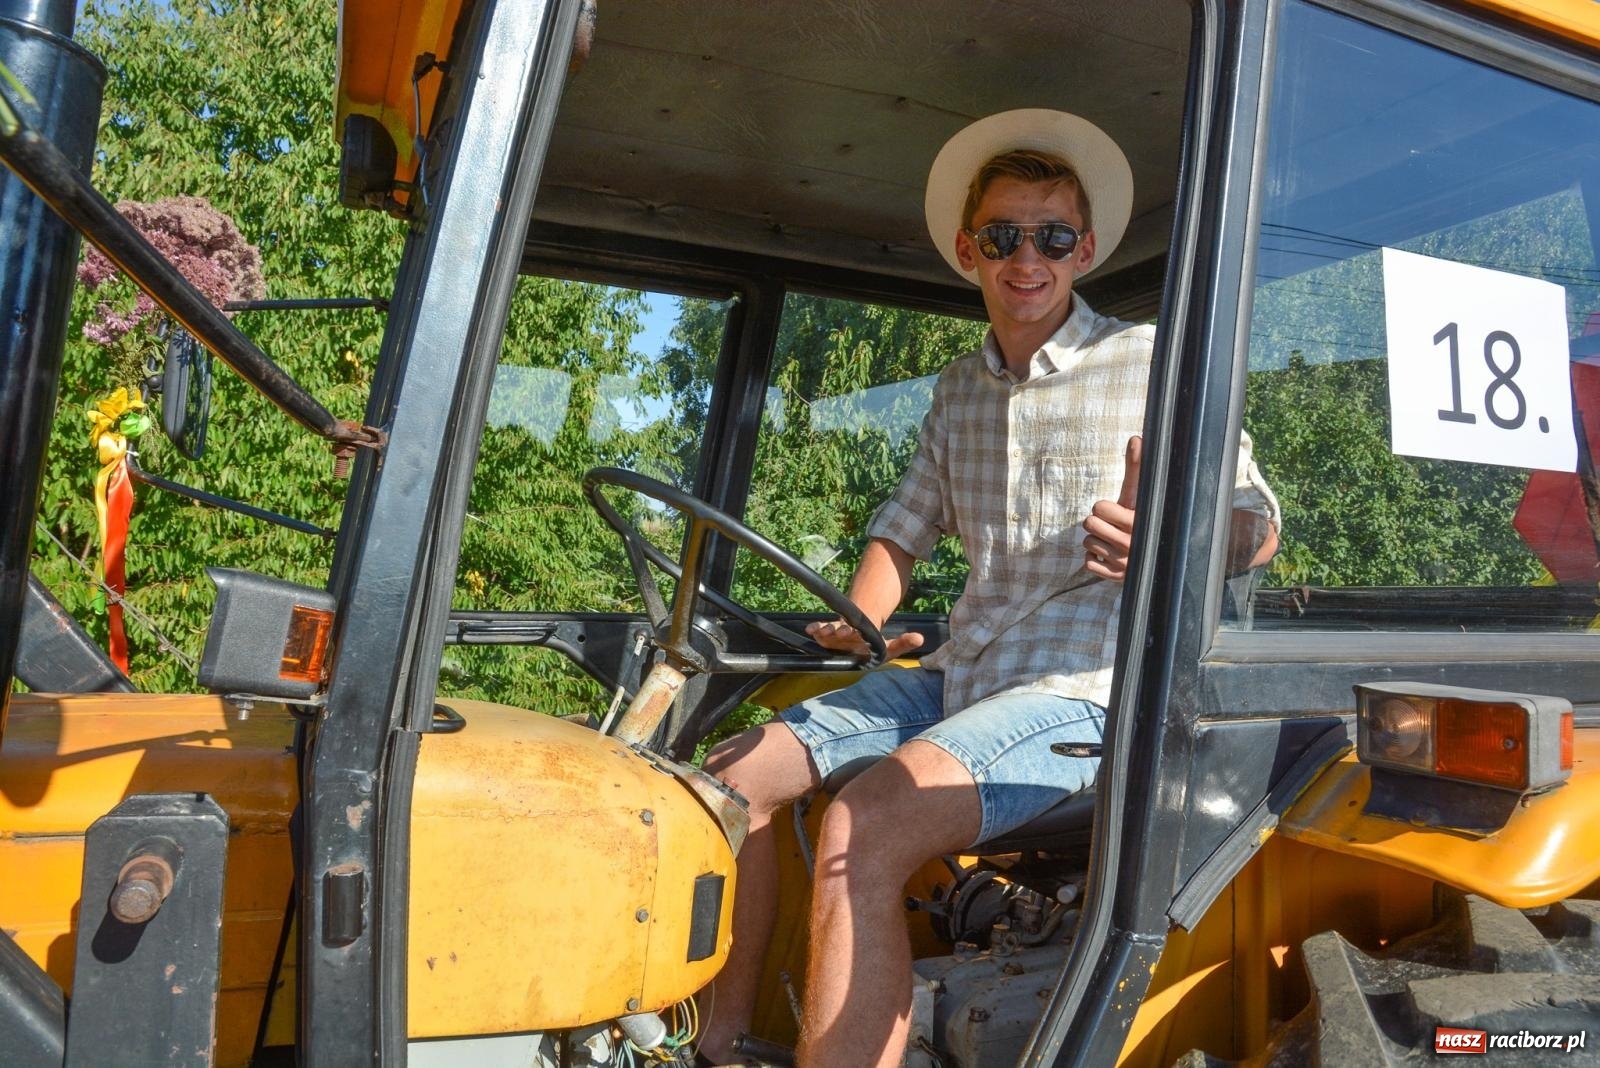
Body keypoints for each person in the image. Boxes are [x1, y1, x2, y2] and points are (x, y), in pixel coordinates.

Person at [697, 109, 1280, 1068]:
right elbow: (904, 527)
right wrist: (864, 619)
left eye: (1052, 237)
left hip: (1085, 694)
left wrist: (1183, 537)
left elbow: (1258, 528)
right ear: (972, 249)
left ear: (1083, 249)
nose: (1028, 258)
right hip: (964, 674)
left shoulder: (1150, 364)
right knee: (731, 780)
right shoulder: (958, 390)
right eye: (1004, 237)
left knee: (863, 827)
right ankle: (716, 1044)